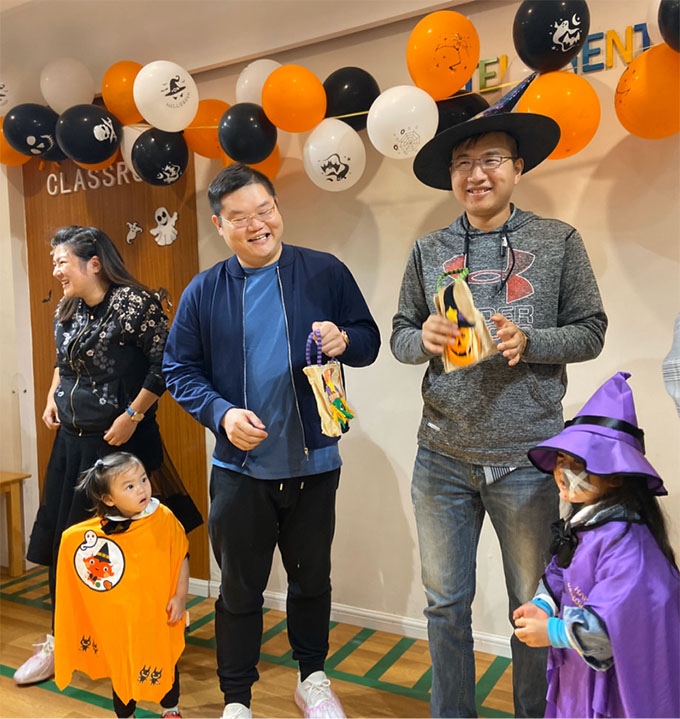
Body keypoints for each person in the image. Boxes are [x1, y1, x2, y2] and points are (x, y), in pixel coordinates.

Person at [391, 112, 608, 717]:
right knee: (445, 607)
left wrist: (530, 341)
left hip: (528, 459)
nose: (476, 174)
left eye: (490, 159)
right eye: (463, 163)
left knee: (533, 609)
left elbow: (592, 330)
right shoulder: (429, 249)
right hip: (441, 456)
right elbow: (400, 335)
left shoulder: (558, 241)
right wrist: (422, 339)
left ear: (517, 167)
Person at [162, 164, 380, 719]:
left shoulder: (324, 271)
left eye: (265, 210)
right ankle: (237, 700)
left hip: (315, 462)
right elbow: (179, 370)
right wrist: (221, 413)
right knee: (239, 590)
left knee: (312, 581)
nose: (257, 224)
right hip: (240, 470)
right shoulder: (204, 290)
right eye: (239, 217)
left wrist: (345, 338)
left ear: (278, 208)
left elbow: (369, 339)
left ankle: (313, 679)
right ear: (219, 225)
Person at [15, 226, 201, 686]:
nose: (56, 271)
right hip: (72, 444)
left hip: (121, 447)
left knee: (132, 549)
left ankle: (146, 637)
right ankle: (63, 639)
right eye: (55, 262)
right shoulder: (67, 307)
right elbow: (63, 360)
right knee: (69, 544)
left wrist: (133, 416)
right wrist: (52, 395)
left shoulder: (136, 304)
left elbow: (164, 365)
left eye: (62, 262)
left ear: (93, 263)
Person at [514, 371, 680, 718]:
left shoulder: (629, 547)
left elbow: (616, 624)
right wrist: (543, 603)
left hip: (615, 678)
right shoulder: (588, 525)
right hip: (580, 666)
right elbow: (560, 571)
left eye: (577, 465)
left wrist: (554, 630)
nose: (562, 473)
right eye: (561, 460)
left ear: (616, 477)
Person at [54, 452, 189, 719]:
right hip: (120, 622)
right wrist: (69, 541)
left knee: (165, 660)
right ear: (109, 499)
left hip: (157, 615)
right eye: (129, 486)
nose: (141, 489)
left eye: (143, 479)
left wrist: (181, 596)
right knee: (122, 667)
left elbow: (181, 555)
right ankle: (125, 715)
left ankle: (170, 709)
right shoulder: (100, 534)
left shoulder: (163, 517)